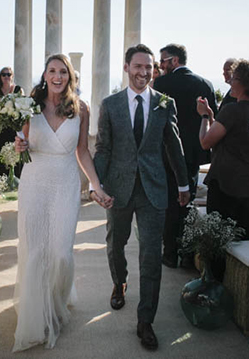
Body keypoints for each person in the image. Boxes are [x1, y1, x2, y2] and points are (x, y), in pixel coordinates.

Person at [12, 54, 112, 352]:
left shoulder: (80, 109)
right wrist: (19, 146)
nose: (57, 76)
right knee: (36, 248)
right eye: (52, 71)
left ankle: (56, 302)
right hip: (34, 181)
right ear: (44, 74)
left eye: (63, 72)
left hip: (65, 183)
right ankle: (37, 316)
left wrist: (96, 186)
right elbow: (21, 145)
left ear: (70, 76)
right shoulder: (29, 106)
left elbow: (82, 151)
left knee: (60, 253)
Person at [94, 44, 190, 351]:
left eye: (149, 67)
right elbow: (104, 148)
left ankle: (145, 320)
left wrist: (184, 184)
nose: (143, 72)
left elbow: (173, 146)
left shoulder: (165, 103)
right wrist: (97, 185)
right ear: (126, 68)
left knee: (151, 255)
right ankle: (119, 282)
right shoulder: (110, 105)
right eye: (138, 66)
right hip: (118, 188)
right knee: (115, 243)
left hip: (153, 189)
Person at [153, 43, 216, 268]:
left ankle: (169, 253)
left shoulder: (161, 84)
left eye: (163, 61)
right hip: (193, 153)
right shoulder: (205, 84)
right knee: (187, 202)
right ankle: (188, 254)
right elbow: (211, 118)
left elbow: (155, 117)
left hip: (166, 152)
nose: (160, 66)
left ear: (175, 61)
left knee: (170, 202)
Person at [197, 59, 249, 241]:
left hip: (228, 186)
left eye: (234, 77)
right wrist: (214, 117)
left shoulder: (232, 110)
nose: (230, 81)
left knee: (219, 238)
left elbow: (206, 142)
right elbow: (226, 135)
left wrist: (205, 116)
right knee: (246, 235)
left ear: (245, 83)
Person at [0, 67, 24, 177]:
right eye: (4, 74)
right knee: (0, 159)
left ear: (12, 76)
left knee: (16, 159)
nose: (6, 77)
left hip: (14, 130)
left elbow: (22, 109)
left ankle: (16, 181)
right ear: (0, 77)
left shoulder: (19, 90)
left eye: (9, 74)